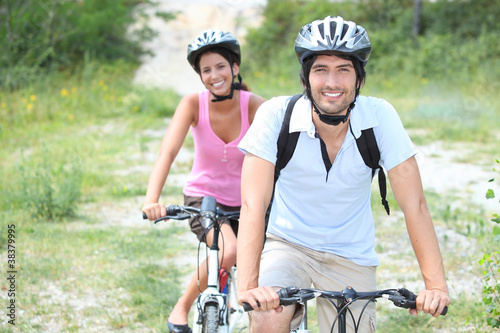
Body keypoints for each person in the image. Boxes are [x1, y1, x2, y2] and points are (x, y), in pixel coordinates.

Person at [236, 16, 451, 333]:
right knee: (268, 318)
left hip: (351, 255)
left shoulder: (379, 118)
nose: (332, 82)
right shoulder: (276, 116)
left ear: (359, 79)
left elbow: (415, 204)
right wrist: (249, 287)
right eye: (320, 69)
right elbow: (253, 205)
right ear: (306, 77)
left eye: (344, 70)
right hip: (288, 245)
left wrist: (435, 286)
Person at [142, 29, 265, 333]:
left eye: (220, 67)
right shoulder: (192, 104)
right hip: (204, 199)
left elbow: (281, 158)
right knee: (229, 250)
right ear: (199, 75)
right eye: (206, 70)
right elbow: (167, 153)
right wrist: (151, 200)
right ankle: (181, 308)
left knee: (269, 271)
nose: (214, 75)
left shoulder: (256, 106)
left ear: (235, 68)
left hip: (249, 203)